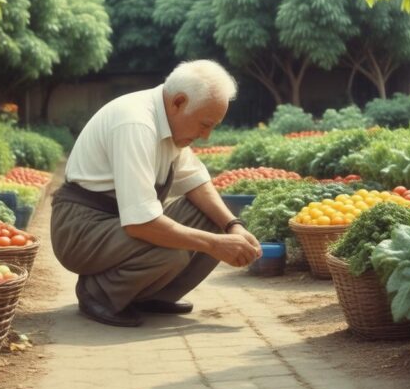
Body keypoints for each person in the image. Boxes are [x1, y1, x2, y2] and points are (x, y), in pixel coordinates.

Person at [50, 60, 262, 327]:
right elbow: (141, 223)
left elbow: (195, 181)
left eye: (213, 127)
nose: (206, 136)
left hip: (118, 225)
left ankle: (147, 294)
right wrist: (213, 245)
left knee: (214, 220)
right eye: (204, 124)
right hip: (81, 229)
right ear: (178, 103)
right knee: (172, 251)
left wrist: (233, 227)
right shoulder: (136, 123)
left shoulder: (169, 122)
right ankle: (100, 294)